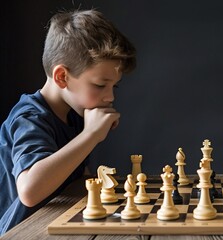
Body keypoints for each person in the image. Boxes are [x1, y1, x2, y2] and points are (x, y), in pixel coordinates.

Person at [0, 9, 136, 235]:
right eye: (101, 85)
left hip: (58, 227)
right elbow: (29, 191)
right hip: (23, 233)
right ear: (62, 77)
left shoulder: (75, 115)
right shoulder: (30, 117)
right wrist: (90, 135)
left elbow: (74, 180)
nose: (110, 96)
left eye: (114, 86)